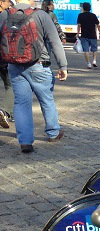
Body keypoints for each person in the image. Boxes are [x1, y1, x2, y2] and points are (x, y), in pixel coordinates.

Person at [0, 0, 67, 152]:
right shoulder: (41, 15)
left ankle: (24, 141)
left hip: (15, 66)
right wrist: (63, 66)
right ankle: (53, 133)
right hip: (39, 64)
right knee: (46, 100)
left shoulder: (4, 15)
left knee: (21, 103)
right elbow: (55, 41)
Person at [0, 0, 14, 128]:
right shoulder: (5, 15)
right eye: (8, 3)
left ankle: (11, 111)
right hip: (4, 56)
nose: (9, 5)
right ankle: (5, 111)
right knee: (12, 86)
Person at [77, 2, 100, 69]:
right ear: (90, 8)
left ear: (83, 8)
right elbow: (98, 25)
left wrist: (78, 33)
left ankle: (88, 63)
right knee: (94, 49)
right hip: (93, 35)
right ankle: (94, 61)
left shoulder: (80, 15)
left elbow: (79, 25)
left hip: (84, 35)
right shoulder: (93, 15)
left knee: (86, 50)